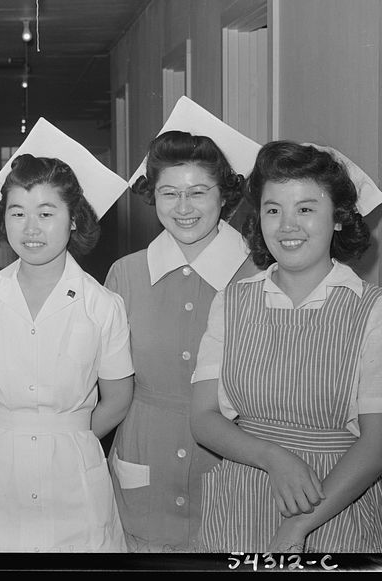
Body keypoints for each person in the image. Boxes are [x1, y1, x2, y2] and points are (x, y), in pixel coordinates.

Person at [190, 140, 382, 553]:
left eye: (306, 209)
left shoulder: (376, 310)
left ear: (339, 218)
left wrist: (297, 528)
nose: (287, 225)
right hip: (243, 499)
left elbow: (379, 446)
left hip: (338, 507)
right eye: (274, 210)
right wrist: (273, 457)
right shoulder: (233, 301)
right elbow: (202, 417)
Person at [0, 118, 134, 552]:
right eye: (17, 213)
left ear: (74, 220)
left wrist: (67, 436)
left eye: (46, 213)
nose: (30, 229)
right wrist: (5, 434)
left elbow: (118, 397)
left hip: (75, 470)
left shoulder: (102, 305)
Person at [105, 97, 262, 552]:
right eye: (169, 192)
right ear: (152, 196)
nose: (183, 207)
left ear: (225, 195)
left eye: (199, 192)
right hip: (142, 458)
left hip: (231, 463)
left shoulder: (257, 275)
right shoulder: (125, 274)